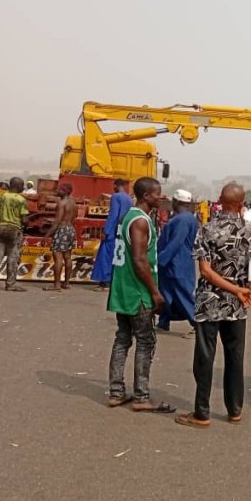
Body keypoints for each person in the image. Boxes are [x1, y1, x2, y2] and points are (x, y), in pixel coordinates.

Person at [175, 183, 251, 428]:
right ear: (242, 204)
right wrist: (239, 289)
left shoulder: (207, 229)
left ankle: (202, 412)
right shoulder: (249, 231)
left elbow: (206, 272)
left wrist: (234, 289)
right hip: (238, 304)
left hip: (210, 302)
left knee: (205, 358)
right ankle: (235, 409)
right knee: (235, 357)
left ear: (220, 200)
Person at [106, 176, 175, 413]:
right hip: (137, 291)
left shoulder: (130, 217)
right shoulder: (140, 222)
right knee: (146, 341)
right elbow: (139, 259)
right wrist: (155, 293)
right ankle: (141, 396)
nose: (161, 197)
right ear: (146, 196)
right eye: (157, 194)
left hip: (123, 289)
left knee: (123, 338)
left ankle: (116, 392)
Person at [156, 189, 199, 333]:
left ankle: (198, 323)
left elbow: (176, 242)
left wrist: (161, 260)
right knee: (167, 293)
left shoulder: (182, 220)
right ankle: (163, 322)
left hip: (177, 262)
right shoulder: (185, 218)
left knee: (182, 294)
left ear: (176, 202)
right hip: (177, 262)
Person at [0, 177, 29, 292]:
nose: (23, 188)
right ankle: (10, 284)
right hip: (14, 229)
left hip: (1, 227)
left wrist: (4, 218)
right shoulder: (21, 200)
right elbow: (24, 219)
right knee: (12, 258)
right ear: (18, 187)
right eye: (22, 186)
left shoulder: (1, 197)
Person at [91, 179, 132, 291]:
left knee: (105, 255)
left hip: (113, 230)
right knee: (115, 256)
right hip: (122, 230)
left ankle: (105, 282)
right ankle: (113, 281)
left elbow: (113, 215)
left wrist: (106, 231)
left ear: (116, 185)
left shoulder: (116, 197)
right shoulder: (129, 198)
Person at [43, 182, 77, 291]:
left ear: (65, 191)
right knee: (67, 257)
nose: (57, 191)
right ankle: (66, 283)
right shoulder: (74, 203)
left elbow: (57, 221)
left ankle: (56, 285)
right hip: (70, 229)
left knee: (58, 258)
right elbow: (74, 218)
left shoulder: (61, 203)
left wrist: (46, 236)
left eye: (59, 190)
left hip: (61, 230)